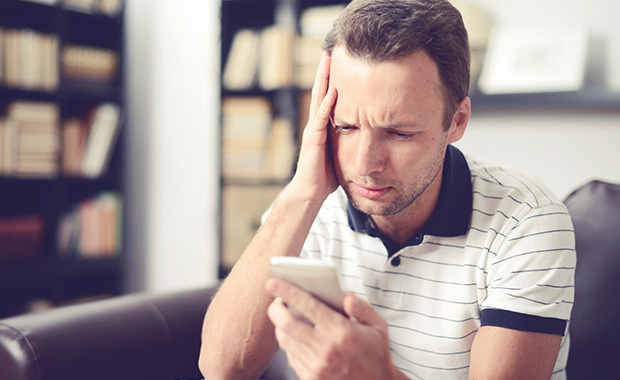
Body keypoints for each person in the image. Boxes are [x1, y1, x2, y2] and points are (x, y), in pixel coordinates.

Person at [199, 0, 576, 379]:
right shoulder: (310, 205)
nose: (364, 165)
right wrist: (301, 195)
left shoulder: (527, 221)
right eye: (345, 126)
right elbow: (220, 368)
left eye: (399, 133)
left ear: (457, 121)